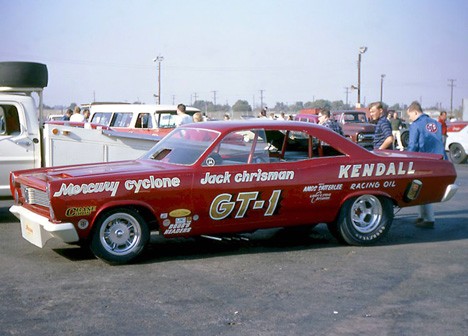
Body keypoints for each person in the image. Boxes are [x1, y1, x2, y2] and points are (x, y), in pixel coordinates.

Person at [407, 101, 445, 228]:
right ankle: (422, 216)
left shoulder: (416, 125)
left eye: (410, 115)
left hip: (423, 160)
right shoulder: (436, 123)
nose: (409, 118)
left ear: (415, 112)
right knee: (423, 188)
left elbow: (413, 145)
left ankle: (428, 219)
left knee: (420, 188)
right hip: (438, 159)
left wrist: (407, 160)